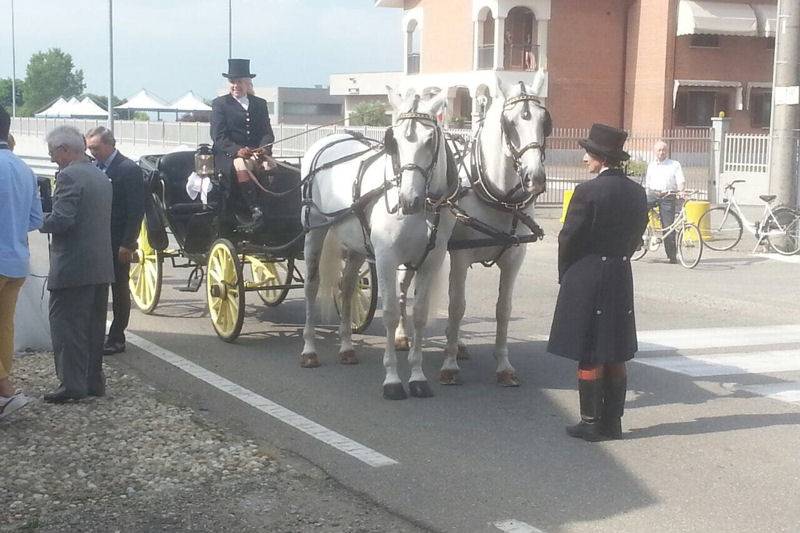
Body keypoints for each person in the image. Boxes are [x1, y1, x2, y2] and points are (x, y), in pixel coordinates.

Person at [548, 123, 648, 442]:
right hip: (620, 272)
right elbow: (637, 234)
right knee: (615, 351)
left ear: (599, 157)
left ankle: (591, 423)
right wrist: (621, 255)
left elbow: (569, 237)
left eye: (587, 154)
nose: (584, 160)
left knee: (590, 350)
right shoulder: (637, 191)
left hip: (589, 273)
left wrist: (567, 272)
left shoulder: (587, 192)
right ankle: (613, 423)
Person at [40, 126, 114, 403]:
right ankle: (93, 380)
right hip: (99, 264)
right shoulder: (98, 174)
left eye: (52, 153)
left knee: (67, 326)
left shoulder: (69, 176)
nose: (51, 160)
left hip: (73, 265)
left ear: (64, 150)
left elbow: (63, 220)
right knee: (93, 329)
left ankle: (71, 384)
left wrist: (38, 218)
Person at [0, 105, 44, 419]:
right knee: (5, 327)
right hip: (16, 260)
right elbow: (34, 219)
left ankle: (5, 389)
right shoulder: (24, 168)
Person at [85, 126, 145, 356]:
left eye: (96, 148)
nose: (92, 152)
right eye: (89, 148)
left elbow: (135, 210)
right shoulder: (93, 167)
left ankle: (117, 337)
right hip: (96, 238)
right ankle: (96, 334)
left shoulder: (128, 169)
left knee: (119, 288)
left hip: (118, 239)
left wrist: (128, 243)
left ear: (110, 145)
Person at [210, 58, 276, 229]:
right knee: (241, 164)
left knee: (271, 166)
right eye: (232, 82)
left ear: (247, 83)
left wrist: (264, 149)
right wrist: (237, 150)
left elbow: (267, 133)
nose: (235, 86)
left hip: (256, 153)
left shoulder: (259, 104)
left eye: (239, 82)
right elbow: (218, 136)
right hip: (228, 156)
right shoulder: (220, 104)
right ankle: (253, 207)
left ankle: (273, 205)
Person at [644, 140, 686, 263]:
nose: (661, 152)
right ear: (654, 152)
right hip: (653, 194)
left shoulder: (674, 164)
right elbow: (648, 182)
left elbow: (680, 180)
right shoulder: (651, 165)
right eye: (659, 150)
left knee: (668, 225)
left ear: (667, 152)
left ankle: (672, 255)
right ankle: (638, 241)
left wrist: (681, 191)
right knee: (639, 213)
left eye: (664, 150)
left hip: (668, 195)